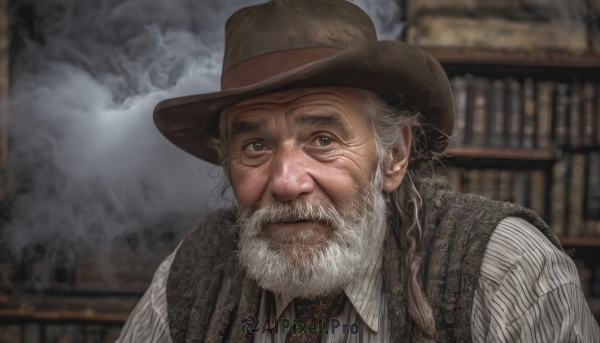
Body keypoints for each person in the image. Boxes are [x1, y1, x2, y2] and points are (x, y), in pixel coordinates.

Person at [116, 0, 600, 342]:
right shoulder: (197, 269)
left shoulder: (506, 271)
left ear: (393, 156)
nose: (287, 182)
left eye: (323, 140)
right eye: (256, 145)